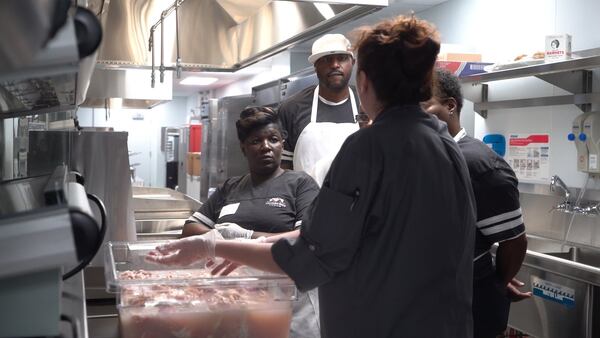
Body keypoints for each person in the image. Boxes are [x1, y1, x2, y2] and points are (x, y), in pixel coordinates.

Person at [148, 15, 476, 338]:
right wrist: (245, 244)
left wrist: (216, 247)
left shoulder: (368, 148)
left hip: (379, 324)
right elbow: (342, 236)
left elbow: (313, 254)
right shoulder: (447, 146)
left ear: (362, 81)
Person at [181, 106, 321, 338]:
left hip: (285, 300)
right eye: (256, 141)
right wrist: (219, 238)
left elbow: (304, 238)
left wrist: (243, 238)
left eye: (273, 139)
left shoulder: (300, 183)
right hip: (233, 299)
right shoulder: (231, 187)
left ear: (282, 144)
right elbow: (189, 230)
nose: (266, 146)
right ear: (244, 148)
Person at [421, 68, 531, 338]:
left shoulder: (479, 164)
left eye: (424, 106)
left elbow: (514, 242)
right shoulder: (425, 155)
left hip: (470, 306)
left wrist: (498, 281)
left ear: (450, 106)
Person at [278, 33, 360, 186]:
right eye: (327, 59)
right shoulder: (291, 108)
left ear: (352, 62)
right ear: (315, 66)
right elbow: (283, 168)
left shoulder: (365, 103)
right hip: (306, 206)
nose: (335, 65)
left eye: (342, 58)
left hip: (359, 206)